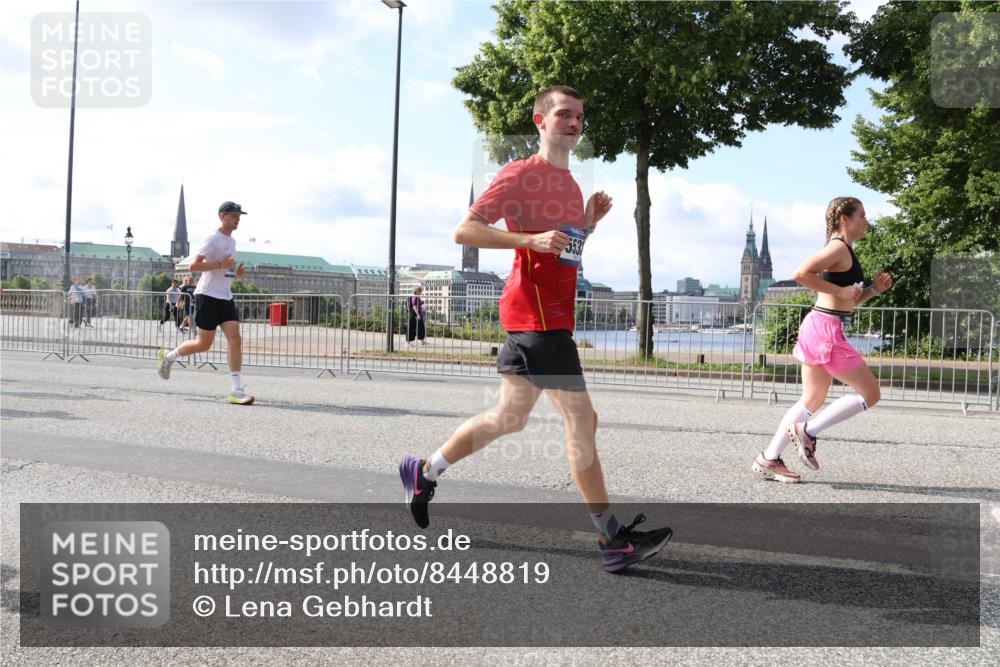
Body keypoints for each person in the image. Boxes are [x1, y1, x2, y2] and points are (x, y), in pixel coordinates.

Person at [398, 85, 672, 573]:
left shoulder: (568, 184)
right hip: (536, 317)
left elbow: (564, 249)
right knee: (582, 421)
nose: (574, 123)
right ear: (540, 121)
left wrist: (587, 223)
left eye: (579, 116)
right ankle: (612, 539)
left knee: (508, 418)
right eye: (564, 114)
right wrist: (528, 238)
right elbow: (465, 230)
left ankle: (424, 471)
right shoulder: (520, 175)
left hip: (549, 314)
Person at [752, 197, 893, 483]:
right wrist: (841, 294)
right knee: (871, 394)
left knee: (812, 398)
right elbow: (801, 274)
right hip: (825, 329)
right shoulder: (838, 247)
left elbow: (848, 300)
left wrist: (874, 290)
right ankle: (808, 432)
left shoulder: (845, 250)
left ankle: (769, 458)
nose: (866, 221)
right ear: (845, 217)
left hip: (820, 326)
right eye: (862, 215)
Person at [156, 201, 254, 405]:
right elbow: (193, 265)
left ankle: (236, 390)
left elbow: (225, 269)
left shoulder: (232, 242)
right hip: (207, 296)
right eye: (234, 215)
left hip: (225, 296)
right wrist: (221, 264)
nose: (238, 219)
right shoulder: (213, 238)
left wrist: (236, 273)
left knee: (235, 338)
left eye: (239, 216)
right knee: (203, 344)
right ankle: (169, 356)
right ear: (222, 216)